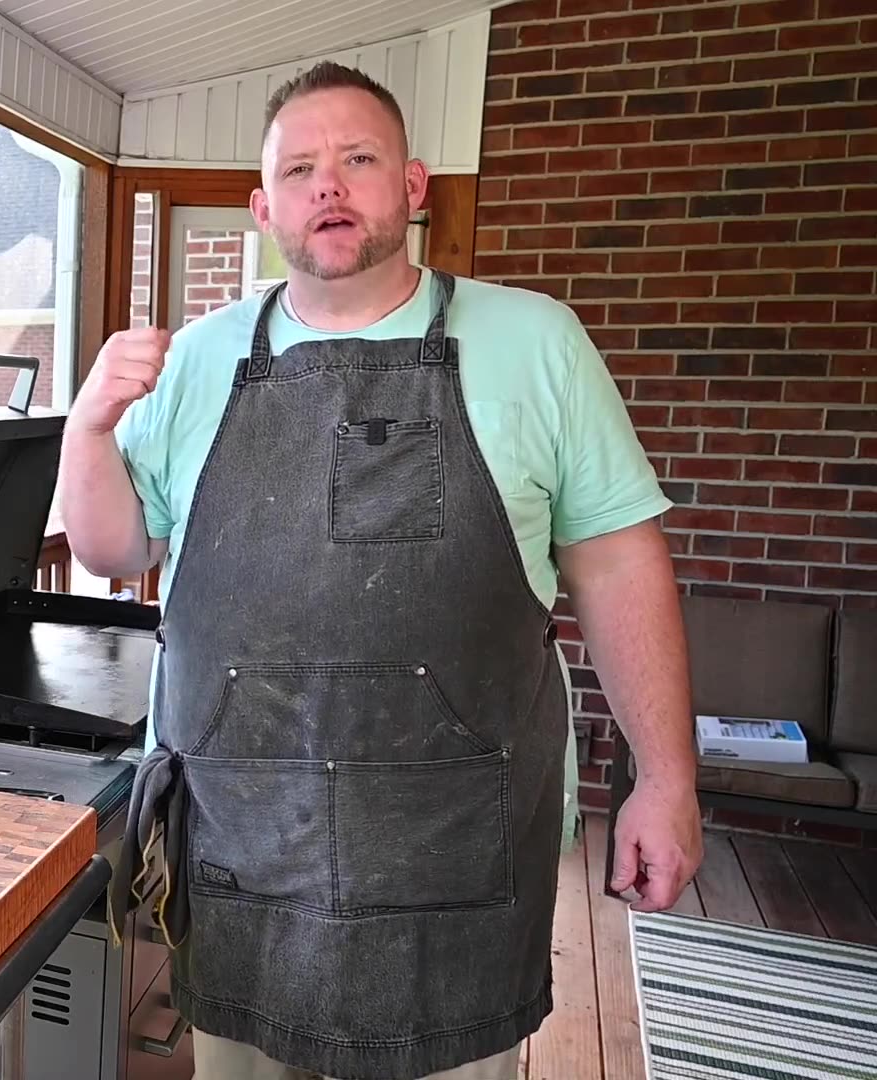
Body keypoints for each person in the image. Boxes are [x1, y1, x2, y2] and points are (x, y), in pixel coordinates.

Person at [76, 62, 705, 1080]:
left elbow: (620, 562)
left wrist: (668, 781)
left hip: (453, 849)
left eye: (358, 159)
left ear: (413, 187)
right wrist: (86, 427)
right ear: (262, 207)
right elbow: (117, 550)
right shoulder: (198, 358)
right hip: (242, 842)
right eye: (301, 168)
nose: (330, 185)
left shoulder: (536, 341)